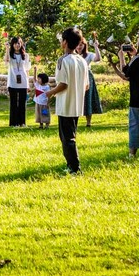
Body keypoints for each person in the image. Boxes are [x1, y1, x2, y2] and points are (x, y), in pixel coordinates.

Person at [45, 27, 90, 174]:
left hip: (66, 104)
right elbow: (86, 85)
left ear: (64, 42)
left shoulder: (63, 60)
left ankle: (74, 168)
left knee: (67, 138)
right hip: (77, 104)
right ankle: (72, 165)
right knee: (71, 136)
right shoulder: (82, 61)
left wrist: (50, 93)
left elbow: (63, 84)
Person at [76, 32, 104, 127]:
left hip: (87, 77)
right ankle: (75, 120)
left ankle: (88, 122)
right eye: (78, 45)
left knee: (88, 98)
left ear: (84, 45)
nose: (79, 47)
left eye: (81, 45)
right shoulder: (73, 55)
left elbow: (98, 58)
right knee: (77, 98)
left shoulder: (89, 55)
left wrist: (96, 47)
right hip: (76, 78)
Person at [4, 36, 30, 127]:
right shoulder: (10, 55)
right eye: (15, 43)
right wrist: (7, 49)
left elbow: (27, 70)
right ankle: (13, 123)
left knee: (23, 104)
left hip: (23, 82)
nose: (17, 45)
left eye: (18, 43)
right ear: (12, 44)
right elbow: (6, 62)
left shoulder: (26, 56)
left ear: (21, 44)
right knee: (13, 103)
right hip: (12, 82)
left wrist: (28, 84)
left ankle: (22, 122)